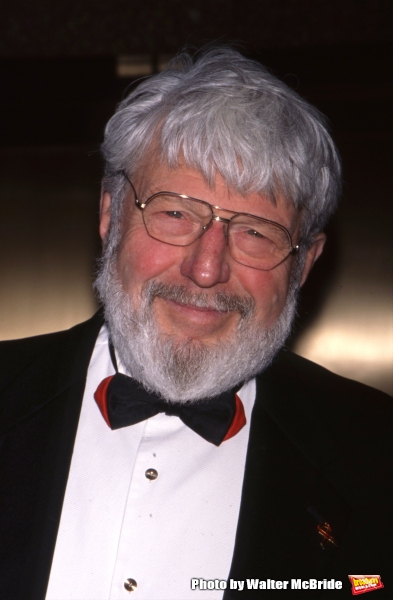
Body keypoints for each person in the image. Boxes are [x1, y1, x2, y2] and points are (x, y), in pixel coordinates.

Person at [0, 47, 391, 600]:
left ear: (304, 264)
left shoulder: (375, 457)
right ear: (110, 215)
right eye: (175, 212)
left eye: (256, 232)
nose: (207, 269)